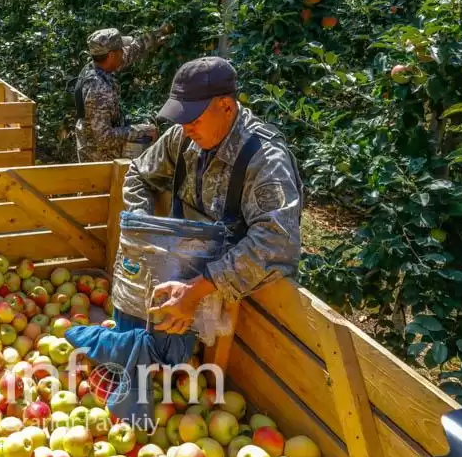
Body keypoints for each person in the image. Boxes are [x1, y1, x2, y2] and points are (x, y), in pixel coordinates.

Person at [122, 56, 304, 334]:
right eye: (180, 118)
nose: (185, 127)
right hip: (179, 284)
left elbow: (277, 242)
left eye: (192, 117)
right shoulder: (182, 137)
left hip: (238, 311)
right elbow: (139, 173)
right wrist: (144, 229)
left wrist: (197, 291)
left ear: (226, 106)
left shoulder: (264, 159)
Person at [74, 25, 172, 162]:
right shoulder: (98, 89)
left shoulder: (99, 65)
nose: (124, 52)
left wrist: (158, 33)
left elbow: (132, 51)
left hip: (100, 151)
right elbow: (104, 138)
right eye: (121, 49)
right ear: (112, 55)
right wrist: (142, 130)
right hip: (98, 160)